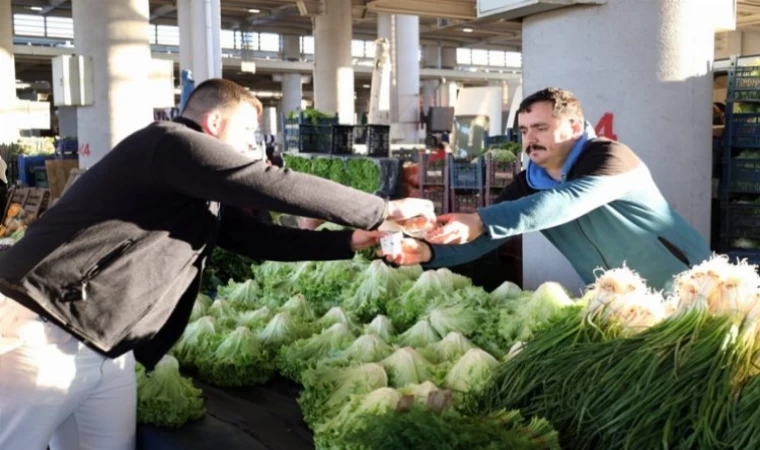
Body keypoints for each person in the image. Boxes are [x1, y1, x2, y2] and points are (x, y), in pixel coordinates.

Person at [0, 78, 433, 450]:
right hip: (45, 326)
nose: (253, 145)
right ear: (214, 124)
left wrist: (350, 240)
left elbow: (257, 239)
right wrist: (382, 208)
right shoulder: (169, 143)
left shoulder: (192, 190)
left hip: (109, 346)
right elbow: (268, 183)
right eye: (247, 131)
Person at [383, 87, 711, 291]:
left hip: (688, 283)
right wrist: (429, 252)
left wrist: (480, 219)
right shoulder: (530, 182)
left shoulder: (611, 157)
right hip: (624, 298)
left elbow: (566, 202)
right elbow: (487, 237)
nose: (530, 139)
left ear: (574, 127)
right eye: (524, 130)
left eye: (541, 128)